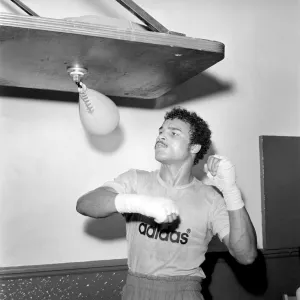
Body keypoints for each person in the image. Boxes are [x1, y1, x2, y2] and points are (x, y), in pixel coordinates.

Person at [76, 107, 257, 300]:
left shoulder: (210, 199)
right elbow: (85, 204)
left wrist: (230, 191)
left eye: (173, 133)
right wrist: (138, 203)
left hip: (184, 293)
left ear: (194, 147)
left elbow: (246, 255)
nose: (161, 137)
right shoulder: (135, 180)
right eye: (161, 132)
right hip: (135, 290)